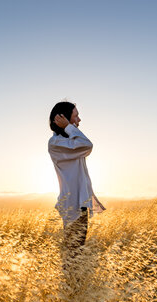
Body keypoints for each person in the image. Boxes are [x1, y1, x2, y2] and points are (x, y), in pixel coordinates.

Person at [48, 101, 106, 257]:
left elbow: (83, 146)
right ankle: (71, 280)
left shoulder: (70, 142)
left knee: (76, 251)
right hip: (72, 204)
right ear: (64, 118)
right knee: (74, 252)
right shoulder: (56, 143)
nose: (79, 120)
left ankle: (74, 280)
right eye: (76, 116)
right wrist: (68, 126)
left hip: (79, 203)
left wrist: (69, 128)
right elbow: (87, 145)